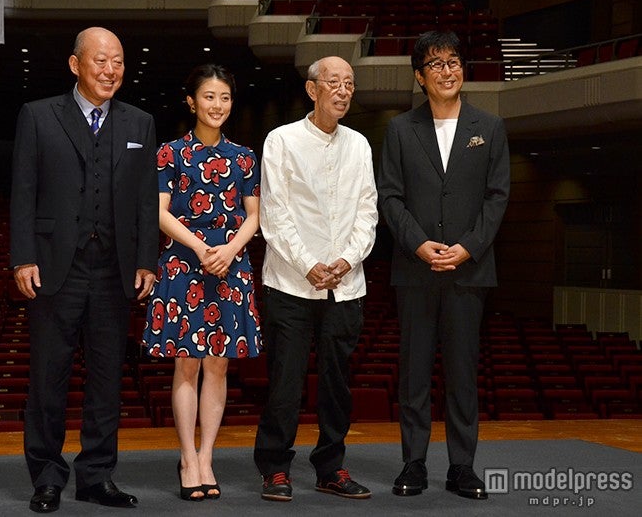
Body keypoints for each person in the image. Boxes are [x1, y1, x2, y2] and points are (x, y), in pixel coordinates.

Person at [10, 27, 158, 513]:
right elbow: (23, 193)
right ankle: (47, 476)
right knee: (48, 379)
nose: (110, 70)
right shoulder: (38, 115)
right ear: (76, 65)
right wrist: (23, 256)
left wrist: (145, 262)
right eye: (100, 61)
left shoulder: (140, 123)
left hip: (115, 271)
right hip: (55, 268)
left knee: (106, 381)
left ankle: (97, 476)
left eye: (118, 61)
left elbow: (143, 201)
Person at [377, 30, 510, 500]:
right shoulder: (399, 129)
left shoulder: (489, 127)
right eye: (436, 64)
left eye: (454, 61)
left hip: (469, 270)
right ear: (420, 76)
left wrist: (468, 247)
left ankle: (462, 467)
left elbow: (497, 198)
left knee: (462, 373)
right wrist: (419, 244)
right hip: (416, 269)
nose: (448, 70)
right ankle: (413, 463)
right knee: (413, 373)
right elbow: (389, 197)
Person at [253, 56, 378, 502]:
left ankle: (331, 466)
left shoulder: (360, 144)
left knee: (336, 383)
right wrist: (308, 264)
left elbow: (368, 211)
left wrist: (345, 261)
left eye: (349, 84)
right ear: (312, 90)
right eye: (334, 83)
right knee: (285, 382)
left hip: (346, 286)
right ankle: (274, 467)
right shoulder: (281, 141)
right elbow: (275, 212)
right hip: (290, 282)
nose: (343, 91)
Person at [142, 64, 262, 502]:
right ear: (192, 101)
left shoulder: (245, 156)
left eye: (225, 97)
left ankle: (207, 455)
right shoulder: (170, 153)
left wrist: (229, 250)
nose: (217, 105)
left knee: (219, 364)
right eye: (209, 97)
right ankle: (187, 456)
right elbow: (159, 211)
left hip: (230, 266)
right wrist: (199, 247)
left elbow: (254, 216)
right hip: (184, 262)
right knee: (186, 362)